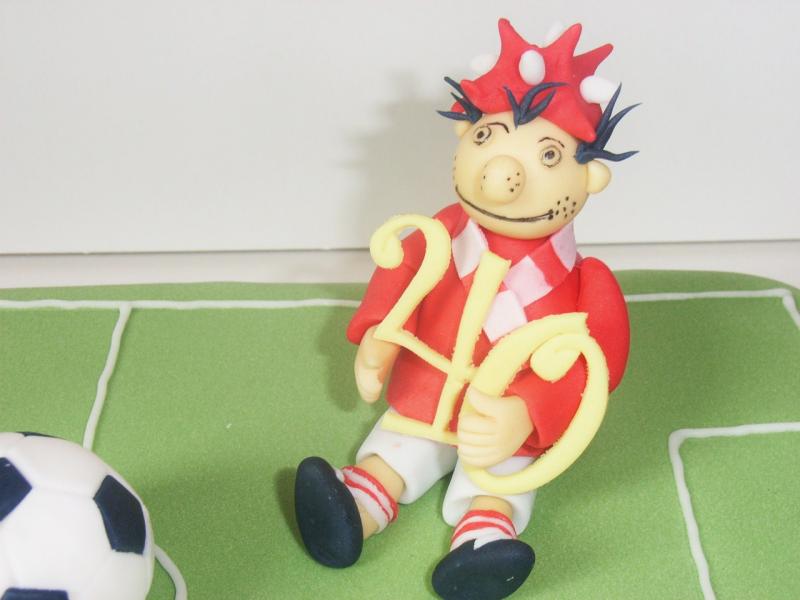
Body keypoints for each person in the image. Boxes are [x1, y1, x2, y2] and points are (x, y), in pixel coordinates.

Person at [295, 19, 637, 600]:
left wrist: (528, 412)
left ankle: (483, 541)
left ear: (591, 176)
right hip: (425, 394)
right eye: (486, 137)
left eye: (548, 153)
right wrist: (377, 336)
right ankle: (355, 506)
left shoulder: (587, 285)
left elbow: (596, 365)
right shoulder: (439, 236)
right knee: (398, 450)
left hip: (504, 419)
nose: (502, 175)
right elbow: (397, 278)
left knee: (497, 480)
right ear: (464, 136)